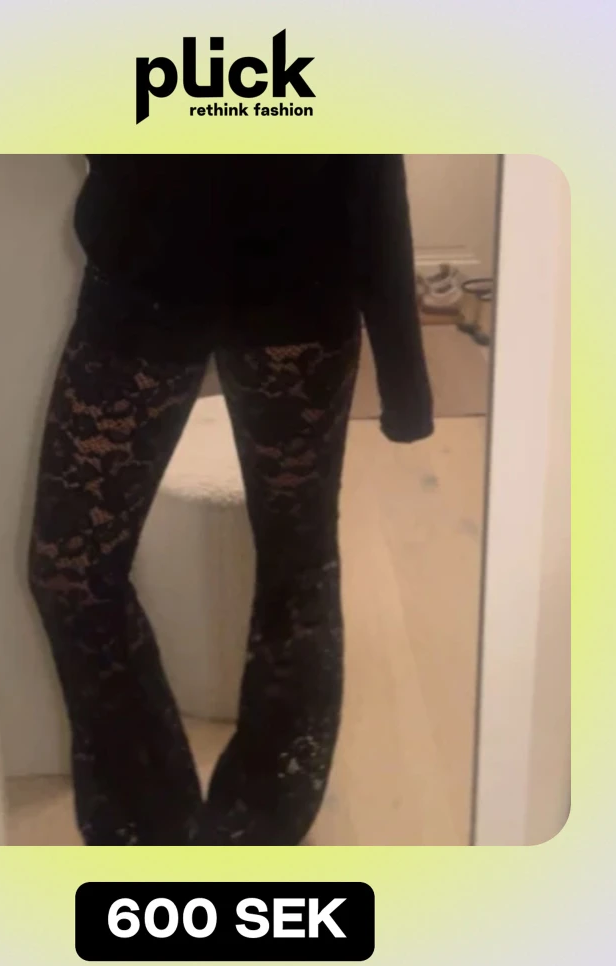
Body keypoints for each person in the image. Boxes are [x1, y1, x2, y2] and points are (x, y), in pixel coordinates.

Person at [27, 154, 433, 846]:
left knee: (297, 567)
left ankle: (264, 820)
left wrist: (404, 377)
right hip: (140, 276)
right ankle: (151, 821)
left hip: (300, 283)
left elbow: (371, 159)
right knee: (70, 574)